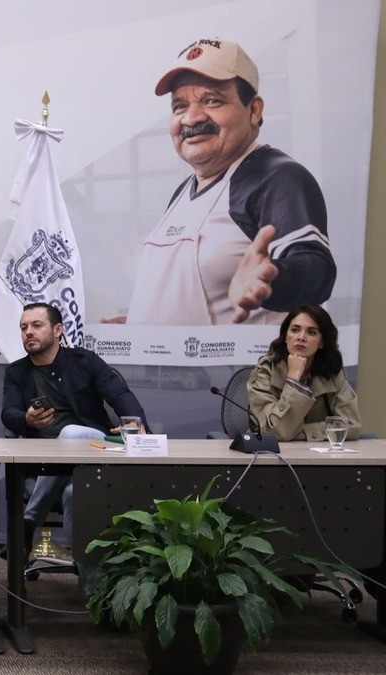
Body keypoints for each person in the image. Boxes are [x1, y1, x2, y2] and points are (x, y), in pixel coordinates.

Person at [115, 37, 335, 325]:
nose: (191, 118)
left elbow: (315, 267)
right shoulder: (184, 193)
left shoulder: (276, 177)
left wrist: (271, 280)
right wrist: (141, 325)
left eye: (212, 100)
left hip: (244, 371)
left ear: (254, 110)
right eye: (179, 106)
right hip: (167, 369)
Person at [2, 302, 145, 556]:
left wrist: (135, 423)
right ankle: (89, 589)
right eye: (23, 327)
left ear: (58, 330)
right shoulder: (17, 371)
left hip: (92, 450)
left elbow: (120, 394)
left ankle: (28, 521)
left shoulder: (84, 361)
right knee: (74, 493)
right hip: (44, 461)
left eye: (36, 325)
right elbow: (8, 413)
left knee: (69, 433)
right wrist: (27, 419)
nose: (28, 332)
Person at [247, 304, 360, 442]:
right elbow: (275, 432)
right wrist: (293, 380)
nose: (301, 337)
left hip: (319, 457)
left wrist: (301, 433)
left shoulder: (332, 371)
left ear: (322, 342)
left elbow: (351, 425)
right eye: (295, 330)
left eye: (311, 332)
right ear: (286, 337)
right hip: (273, 456)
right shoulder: (265, 371)